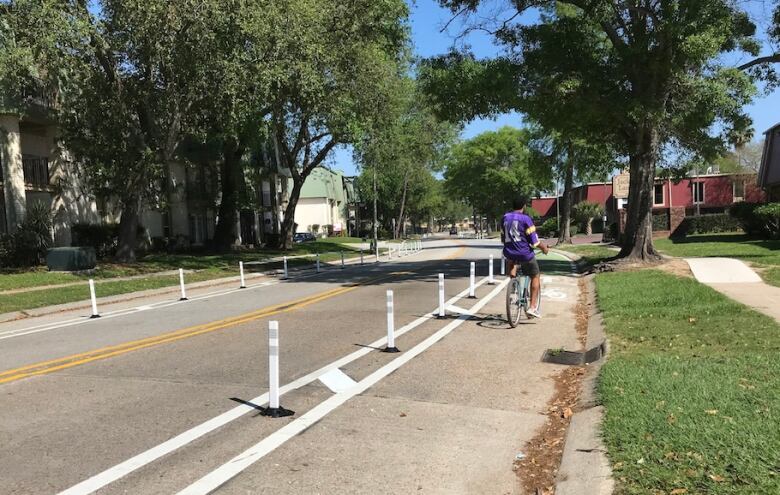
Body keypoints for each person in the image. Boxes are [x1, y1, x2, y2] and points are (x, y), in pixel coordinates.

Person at [501, 196, 550, 319]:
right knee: (535, 275)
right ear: (524, 206)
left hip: (509, 251)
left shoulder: (505, 218)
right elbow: (534, 242)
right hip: (524, 254)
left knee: (511, 260)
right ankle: (533, 307)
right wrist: (544, 248)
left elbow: (503, 237)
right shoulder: (526, 219)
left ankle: (513, 285)